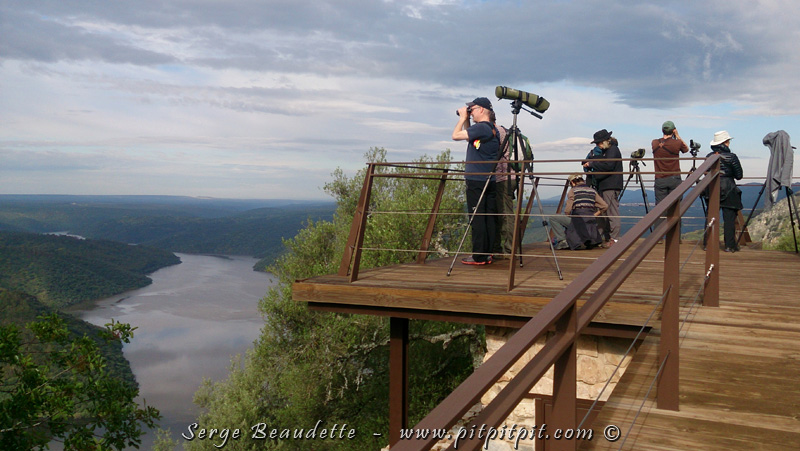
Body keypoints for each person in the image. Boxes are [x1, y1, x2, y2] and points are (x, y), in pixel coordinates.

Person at [453, 97, 500, 265]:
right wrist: (467, 121)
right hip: (488, 180)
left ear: (481, 110)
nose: (470, 111)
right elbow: (469, 138)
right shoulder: (490, 129)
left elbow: (455, 135)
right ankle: (487, 253)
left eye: (471, 109)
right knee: (487, 217)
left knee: (477, 217)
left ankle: (479, 255)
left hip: (476, 180)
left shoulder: (482, 128)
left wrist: (462, 118)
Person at [703, 130, 743, 252]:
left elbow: (705, 172)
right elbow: (739, 175)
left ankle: (707, 244)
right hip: (728, 188)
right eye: (728, 141)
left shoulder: (709, 157)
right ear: (725, 142)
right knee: (729, 219)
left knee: (710, 217)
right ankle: (729, 246)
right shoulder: (732, 157)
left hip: (711, 187)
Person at [583, 129, 623, 246]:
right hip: (606, 185)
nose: (598, 145)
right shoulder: (608, 150)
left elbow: (608, 165)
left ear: (606, 141)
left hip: (610, 185)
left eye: (599, 143)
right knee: (604, 211)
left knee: (611, 212)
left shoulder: (613, 150)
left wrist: (592, 164)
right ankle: (605, 237)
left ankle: (614, 239)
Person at [549, 174, 608, 249]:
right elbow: (605, 206)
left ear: (573, 183)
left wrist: (568, 215)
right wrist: (594, 215)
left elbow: (567, 210)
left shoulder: (573, 191)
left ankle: (562, 240)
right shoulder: (592, 191)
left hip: (578, 221)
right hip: (589, 222)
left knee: (553, 218)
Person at [492, 116, 515, 259]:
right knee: (503, 213)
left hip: (502, 178)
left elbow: (493, 154)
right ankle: (506, 248)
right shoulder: (504, 131)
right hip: (509, 177)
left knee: (506, 214)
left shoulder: (497, 131)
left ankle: (509, 251)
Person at [652, 121, 689, 204]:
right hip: (674, 177)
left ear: (662, 130)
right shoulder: (677, 143)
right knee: (675, 205)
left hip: (660, 178)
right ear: (673, 130)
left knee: (660, 206)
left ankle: (661, 217)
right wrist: (677, 135)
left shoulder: (654, 143)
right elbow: (686, 149)